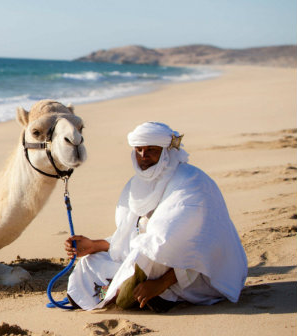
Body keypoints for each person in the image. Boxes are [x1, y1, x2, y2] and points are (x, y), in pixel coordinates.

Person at [64, 122, 247, 312]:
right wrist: (94, 245)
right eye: (139, 150)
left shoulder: (191, 183)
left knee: (141, 272)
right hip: (150, 262)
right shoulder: (138, 184)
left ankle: (136, 292)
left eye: (151, 150)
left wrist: (160, 283)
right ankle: (114, 291)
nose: (144, 156)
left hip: (197, 272)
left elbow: (196, 247)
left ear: (166, 152)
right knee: (90, 264)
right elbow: (134, 237)